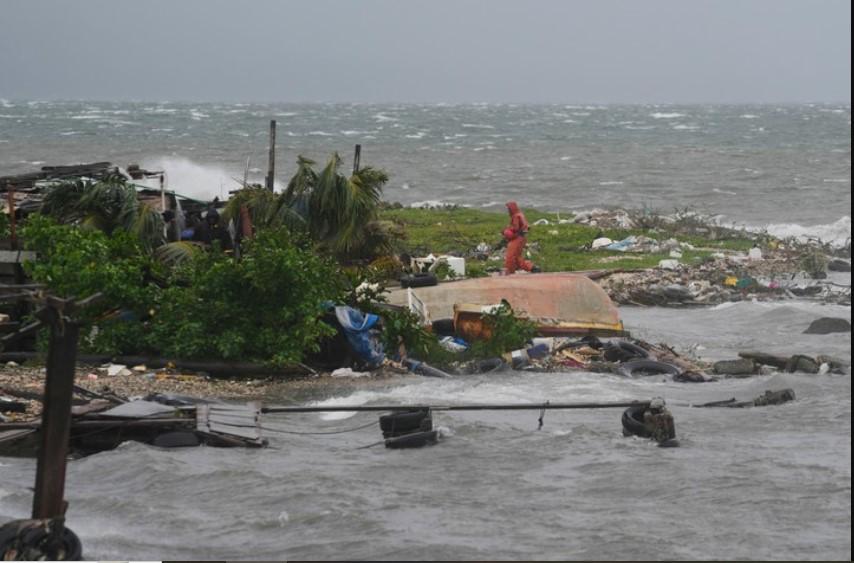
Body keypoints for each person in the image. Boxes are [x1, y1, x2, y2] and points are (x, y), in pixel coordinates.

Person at [503, 201, 540, 274]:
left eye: (509, 209)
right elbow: (527, 227)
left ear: (512, 209)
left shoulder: (516, 216)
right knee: (517, 257)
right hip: (522, 238)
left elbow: (515, 228)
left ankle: (509, 271)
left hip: (517, 238)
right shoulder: (520, 214)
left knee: (510, 255)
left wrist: (506, 230)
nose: (508, 211)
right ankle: (532, 267)